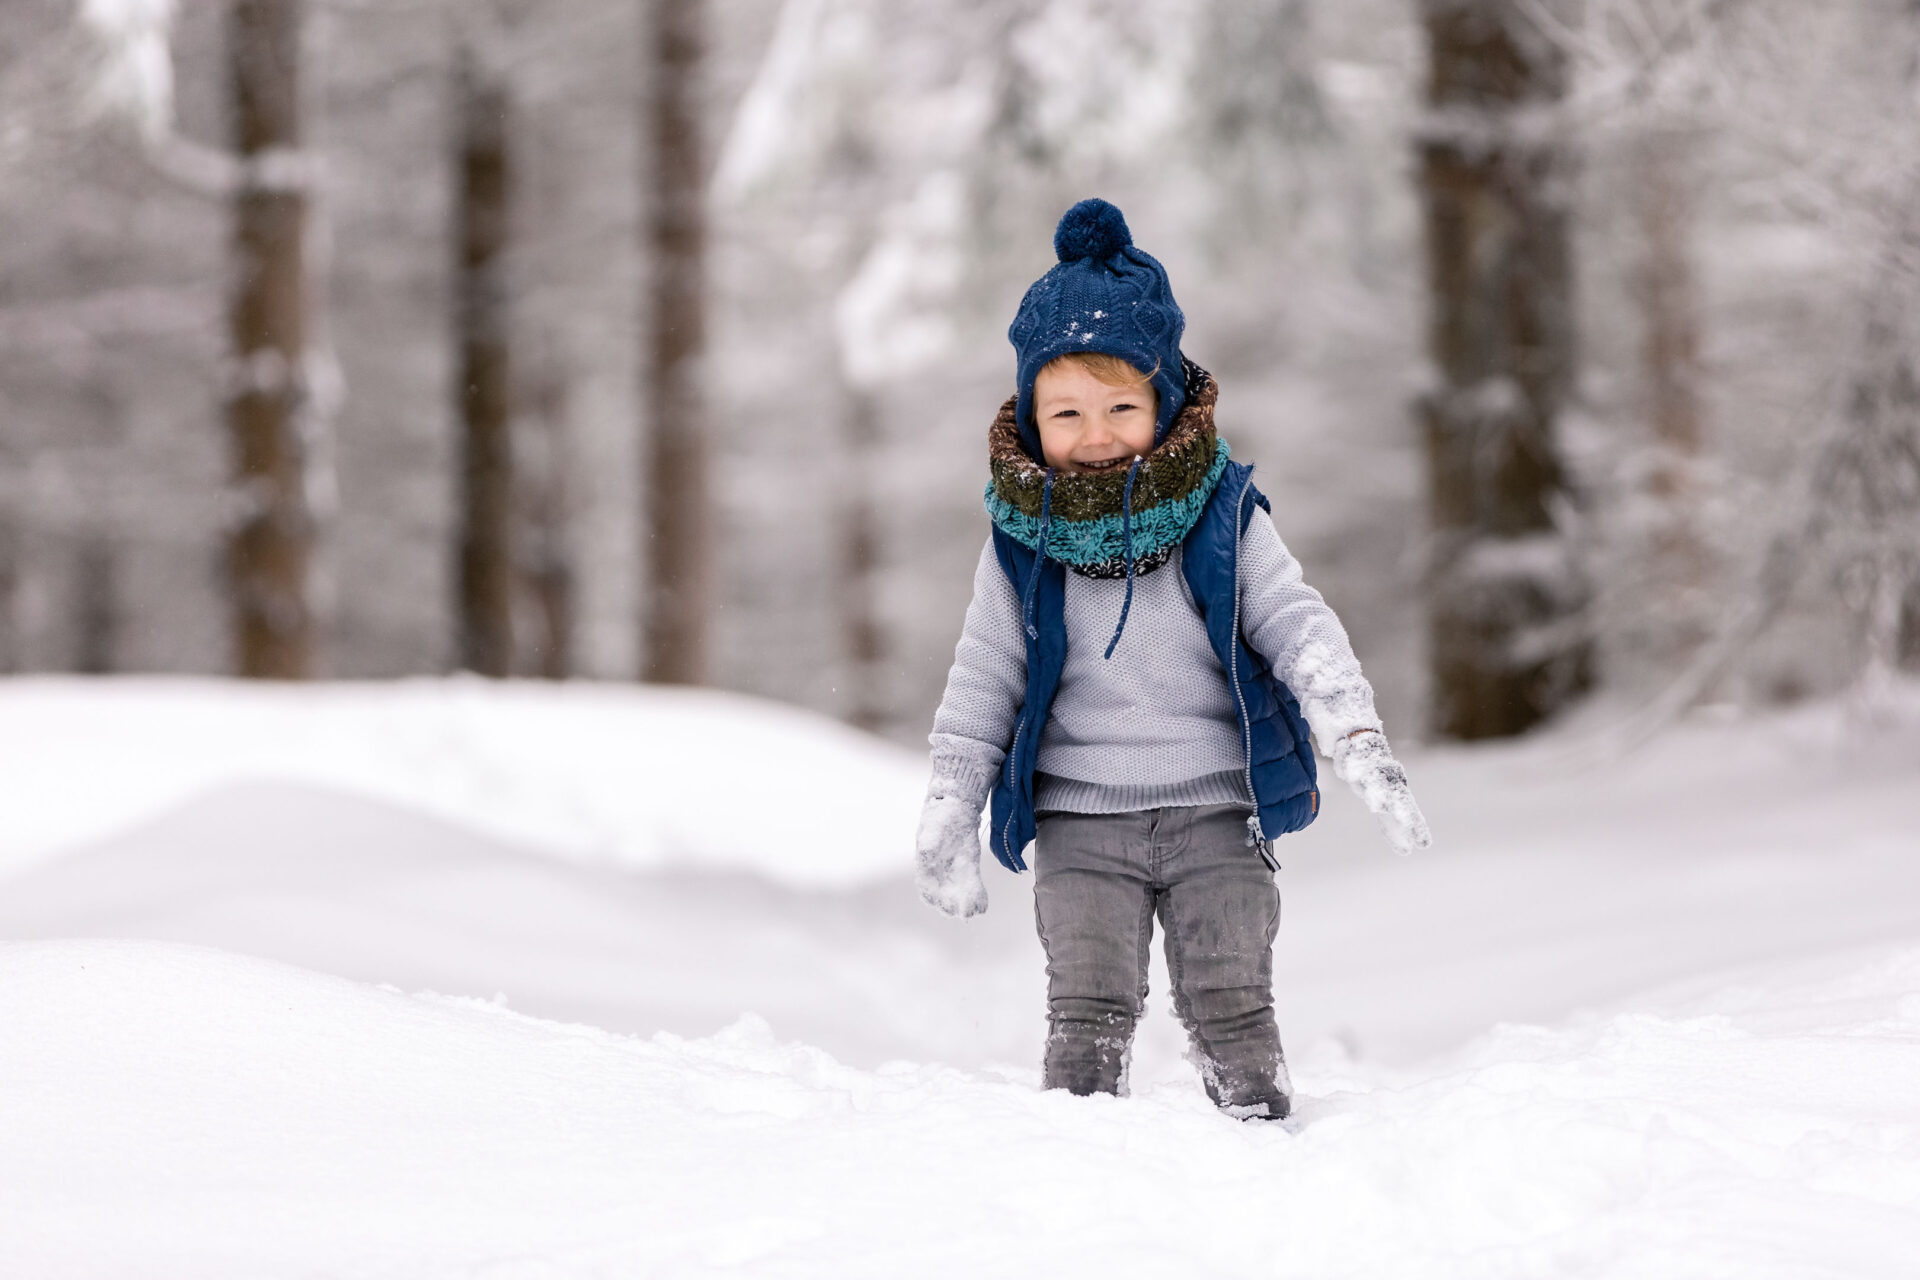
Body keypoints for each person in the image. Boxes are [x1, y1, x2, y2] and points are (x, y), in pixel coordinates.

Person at [913, 197, 1431, 1120]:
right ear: (1032, 417)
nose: (1096, 431)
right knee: (1085, 1014)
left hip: (1214, 812)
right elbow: (985, 676)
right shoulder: (1020, 543)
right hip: (1079, 819)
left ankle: (1260, 1141)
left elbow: (1296, 624)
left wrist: (1355, 734)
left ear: (1165, 402)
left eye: (1121, 405)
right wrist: (952, 802)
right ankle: (1078, 1160)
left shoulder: (1222, 515)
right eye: (1066, 410)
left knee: (1232, 1003)